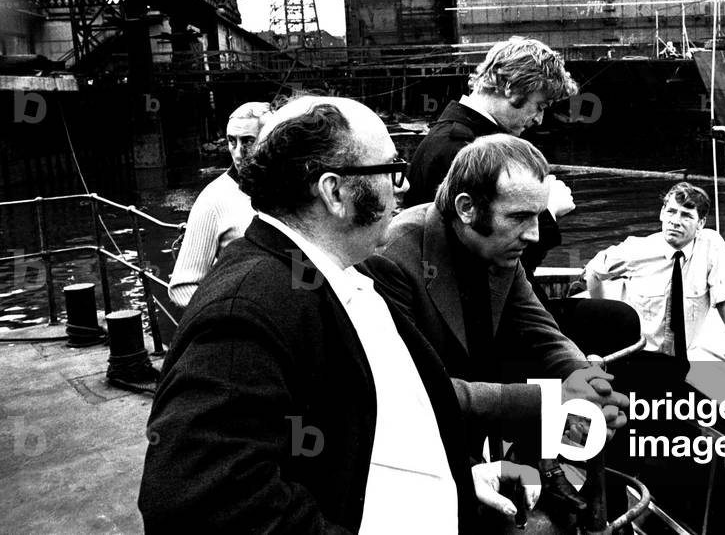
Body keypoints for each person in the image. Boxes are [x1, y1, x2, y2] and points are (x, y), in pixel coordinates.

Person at [139, 96, 538, 534]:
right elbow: (193, 502)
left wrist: (457, 482)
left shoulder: (342, 277)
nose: (401, 186)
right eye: (390, 169)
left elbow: (362, 428)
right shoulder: (245, 309)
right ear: (334, 192)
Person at [362, 134, 630, 516]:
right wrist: (554, 403)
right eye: (520, 217)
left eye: (537, 215)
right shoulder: (392, 257)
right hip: (411, 452)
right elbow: (414, 392)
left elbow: (542, 331)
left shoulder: (496, 246)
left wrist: (588, 381)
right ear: (467, 207)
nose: (535, 234)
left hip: (471, 432)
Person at [403, 35, 638, 357]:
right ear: (511, 88)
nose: (539, 119)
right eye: (538, 106)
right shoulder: (459, 150)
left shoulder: (452, 137)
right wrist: (548, 213)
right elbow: (491, 266)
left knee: (617, 321)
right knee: (620, 323)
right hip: (481, 324)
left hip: (485, 307)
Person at [585, 181, 725, 396]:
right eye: (671, 211)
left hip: (678, 363)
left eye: (686, 216)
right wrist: (606, 328)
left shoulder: (711, 246)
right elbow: (594, 272)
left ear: (701, 223)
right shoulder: (635, 249)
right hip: (633, 358)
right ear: (662, 213)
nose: (675, 221)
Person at [167, 100, 270, 309]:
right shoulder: (213, 200)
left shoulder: (292, 194)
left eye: (248, 141)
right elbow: (182, 286)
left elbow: (301, 261)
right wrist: (231, 314)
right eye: (232, 141)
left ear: (269, 142)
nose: (239, 153)